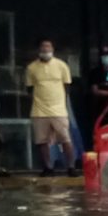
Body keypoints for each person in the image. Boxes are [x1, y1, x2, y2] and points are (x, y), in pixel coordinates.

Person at [26, 38, 74, 174]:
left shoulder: (62, 66)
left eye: (48, 47)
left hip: (59, 110)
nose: (45, 50)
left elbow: (67, 87)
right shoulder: (31, 68)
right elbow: (29, 89)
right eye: (43, 47)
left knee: (66, 140)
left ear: (53, 49)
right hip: (39, 111)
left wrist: (61, 103)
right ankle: (48, 167)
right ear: (39, 50)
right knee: (42, 141)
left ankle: (71, 167)